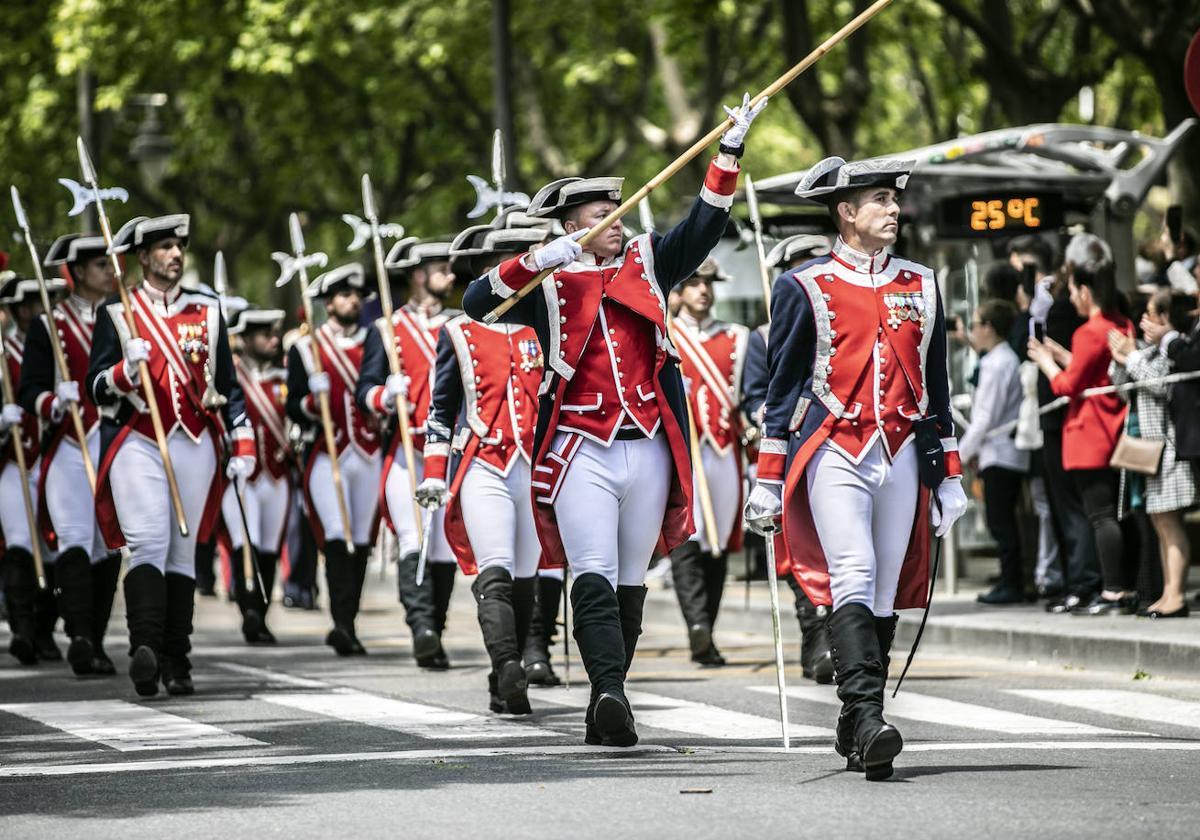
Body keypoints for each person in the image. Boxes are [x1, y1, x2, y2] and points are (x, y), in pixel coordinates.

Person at [463, 92, 763, 747]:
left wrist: (729, 154)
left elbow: (704, 227)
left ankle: (611, 687)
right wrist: (535, 259)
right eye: (606, 214)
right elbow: (476, 303)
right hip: (580, 451)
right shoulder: (545, 284)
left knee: (631, 581)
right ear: (573, 224)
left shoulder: (650, 262)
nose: (620, 220)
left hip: (651, 445)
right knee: (592, 572)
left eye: (620, 211)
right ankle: (608, 694)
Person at [744, 156, 968, 781]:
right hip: (835, 449)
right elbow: (782, 392)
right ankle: (869, 717)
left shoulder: (920, 284)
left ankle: (855, 721)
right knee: (855, 569)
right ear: (846, 212)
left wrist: (949, 475)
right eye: (879, 201)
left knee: (885, 586)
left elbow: (936, 388)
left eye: (894, 201)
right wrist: (767, 477)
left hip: (899, 452)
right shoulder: (804, 286)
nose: (893, 210)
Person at [87, 214, 253, 697]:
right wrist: (123, 370)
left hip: (195, 440)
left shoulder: (208, 312)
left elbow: (228, 388)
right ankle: (145, 651)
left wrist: (241, 442)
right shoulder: (119, 314)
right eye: (164, 247)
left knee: (183, 553)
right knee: (148, 540)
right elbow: (95, 387)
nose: (175, 254)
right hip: (139, 438)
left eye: (179, 246)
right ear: (142, 257)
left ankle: (177, 658)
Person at [415, 220, 552, 714]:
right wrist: (434, 472)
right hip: (482, 463)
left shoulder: (545, 325)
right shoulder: (456, 331)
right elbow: (440, 409)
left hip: (532, 465)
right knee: (493, 568)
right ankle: (509, 666)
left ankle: (502, 675)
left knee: (525, 576)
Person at [18, 235, 120, 675]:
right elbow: (29, 390)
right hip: (68, 443)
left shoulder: (122, 317)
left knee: (110, 543)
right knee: (77, 537)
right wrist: (54, 401)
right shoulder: (50, 326)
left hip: (114, 440)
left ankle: (96, 638)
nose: (110, 272)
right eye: (101, 265)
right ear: (77, 272)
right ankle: (79, 635)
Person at [358, 237, 459, 669]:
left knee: (444, 549)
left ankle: (436, 626)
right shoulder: (387, 329)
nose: (451, 276)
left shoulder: (459, 323)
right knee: (413, 538)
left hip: (450, 448)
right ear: (419, 274)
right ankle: (421, 627)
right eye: (442, 268)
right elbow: (365, 390)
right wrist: (385, 395)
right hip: (408, 449)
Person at [742, 233, 835, 683]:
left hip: (838, 442)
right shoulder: (762, 337)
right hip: (793, 443)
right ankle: (816, 640)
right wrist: (764, 414)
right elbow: (758, 394)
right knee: (797, 547)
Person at [1028, 233, 1136, 615]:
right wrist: (1064, 355)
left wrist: (1045, 361)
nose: (1071, 298)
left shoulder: (1090, 330)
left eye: (1074, 290)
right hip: (1112, 428)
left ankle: (1112, 591)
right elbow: (1093, 373)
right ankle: (1117, 586)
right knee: (1111, 514)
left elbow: (1069, 385)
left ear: (1086, 291)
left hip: (1089, 433)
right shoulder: (1120, 322)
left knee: (1100, 516)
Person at [286, 263, 380, 656]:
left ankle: (348, 621)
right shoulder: (306, 348)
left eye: (356, 295)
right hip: (329, 454)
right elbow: (292, 407)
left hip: (369, 452)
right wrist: (311, 399)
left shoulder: (375, 342)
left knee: (361, 542)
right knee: (337, 539)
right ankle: (342, 623)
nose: (353, 301)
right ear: (329, 303)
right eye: (344, 295)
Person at [1011, 235, 1100, 611]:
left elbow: (1026, 350)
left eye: (1028, 270)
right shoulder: (1051, 305)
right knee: (1064, 505)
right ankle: (1073, 579)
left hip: (1062, 414)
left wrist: (1030, 314)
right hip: (1058, 416)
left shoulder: (1058, 309)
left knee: (1072, 504)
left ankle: (1084, 581)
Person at [669, 256, 748, 667]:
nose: (703, 290)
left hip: (723, 452)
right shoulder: (665, 335)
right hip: (684, 455)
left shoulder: (737, 337)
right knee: (687, 541)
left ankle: (708, 630)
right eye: (695, 282)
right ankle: (696, 625)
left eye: (708, 283)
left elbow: (746, 398)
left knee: (717, 546)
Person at [1109, 288, 1195, 617]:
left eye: (1151, 314)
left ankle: (1176, 594)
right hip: (1150, 450)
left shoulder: (1171, 351)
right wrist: (1121, 356)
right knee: (1159, 521)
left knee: (1170, 523)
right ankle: (1168, 592)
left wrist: (1132, 356)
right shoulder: (1147, 351)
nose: (1144, 321)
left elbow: (1160, 384)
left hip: (1168, 447)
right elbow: (1121, 387)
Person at [1, 272, 69, 666]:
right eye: (24, 305)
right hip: (13, 459)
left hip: (53, 455)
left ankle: (45, 628)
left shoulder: (54, 350)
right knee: (19, 544)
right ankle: (23, 629)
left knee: (55, 546)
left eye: (36, 304)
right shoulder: (3, 353)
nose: (31, 312)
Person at [222, 307, 292, 643]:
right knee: (242, 543)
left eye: (274, 334)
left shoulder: (283, 380)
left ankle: (261, 614)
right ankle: (248, 609)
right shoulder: (231, 378)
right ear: (246, 340)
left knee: (268, 547)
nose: (273, 340)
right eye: (265, 334)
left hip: (276, 474)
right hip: (242, 473)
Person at [960, 299, 1030, 604]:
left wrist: (959, 455)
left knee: (1000, 521)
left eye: (975, 324)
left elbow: (984, 418)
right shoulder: (1002, 359)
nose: (973, 331)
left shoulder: (996, 363)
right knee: (1003, 520)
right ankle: (1010, 577)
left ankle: (1011, 582)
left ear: (989, 327)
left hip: (1000, 452)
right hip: (1001, 450)